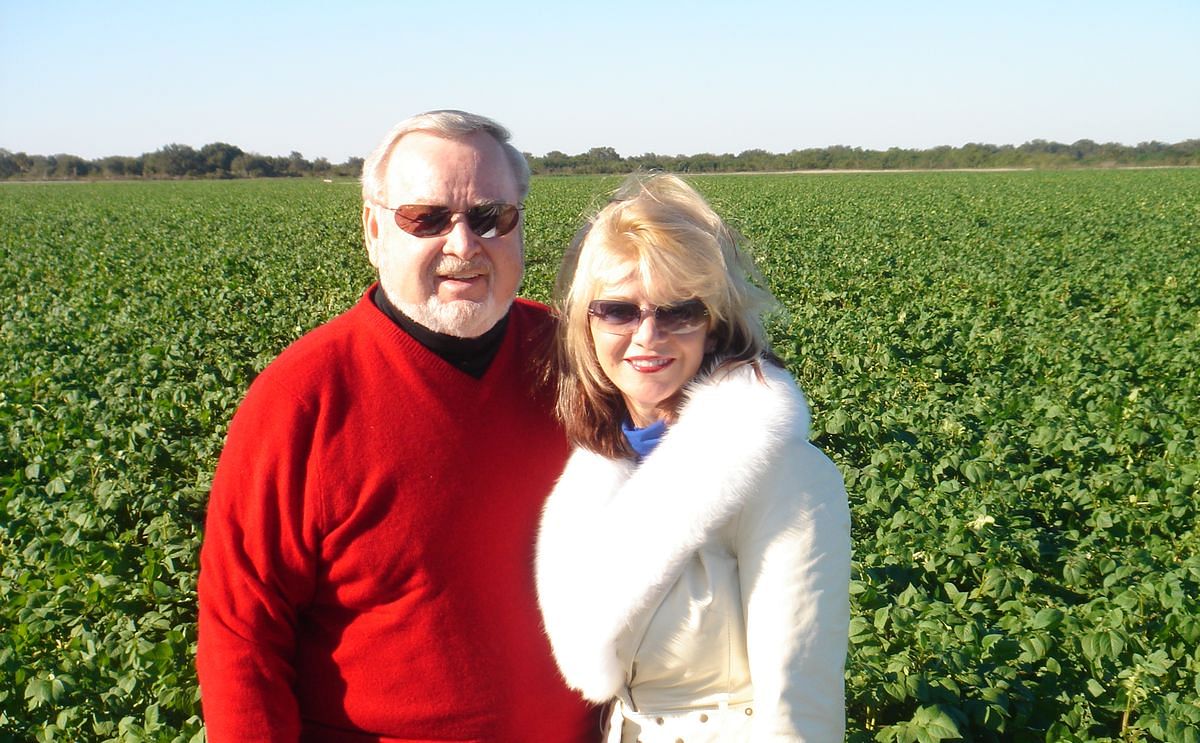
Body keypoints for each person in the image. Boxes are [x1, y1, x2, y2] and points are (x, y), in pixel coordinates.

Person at [197, 110, 599, 742]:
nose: (464, 245)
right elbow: (242, 635)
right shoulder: (302, 399)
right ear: (374, 229)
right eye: (427, 219)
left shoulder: (581, 360)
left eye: (491, 217)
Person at [535, 173, 852, 742]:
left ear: (715, 324)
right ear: (586, 323)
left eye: (680, 311)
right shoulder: (600, 462)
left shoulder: (785, 475)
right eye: (618, 310)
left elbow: (798, 708)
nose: (648, 335)